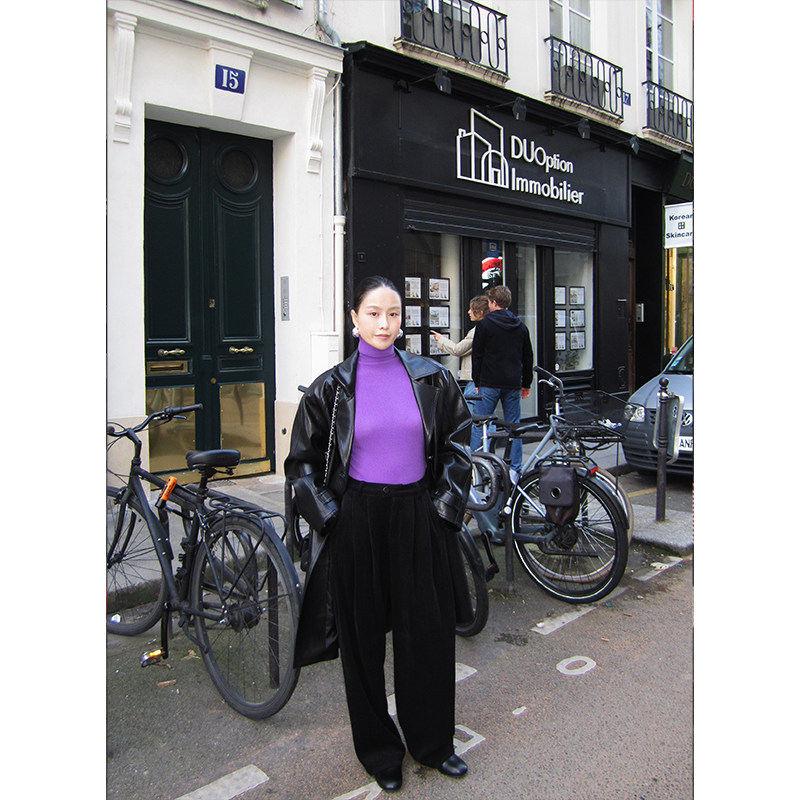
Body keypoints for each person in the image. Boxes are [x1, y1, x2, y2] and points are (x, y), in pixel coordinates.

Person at [285, 276, 473, 793]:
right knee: (362, 642)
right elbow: (301, 464)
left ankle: (433, 744)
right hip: (357, 519)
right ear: (354, 318)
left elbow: (458, 445)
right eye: (373, 313)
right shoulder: (330, 388)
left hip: (418, 515)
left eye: (393, 314)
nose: (384, 323)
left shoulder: (433, 377)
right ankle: (379, 752)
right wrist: (330, 517)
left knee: (427, 635)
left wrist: (444, 508)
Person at [470, 285, 534, 476]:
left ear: (494, 303)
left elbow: (477, 356)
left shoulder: (484, 325)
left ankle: (476, 464)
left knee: (480, 424)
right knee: (514, 426)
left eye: (489, 302)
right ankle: (515, 469)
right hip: (512, 383)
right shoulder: (520, 327)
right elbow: (528, 357)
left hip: (489, 382)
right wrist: (526, 383)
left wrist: (477, 381)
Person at [432, 294, 489, 411]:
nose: (469, 312)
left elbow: (458, 350)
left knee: (471, 410)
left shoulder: (477, 331)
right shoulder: (490, 328)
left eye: (472, 309)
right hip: (485, 377)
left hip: (474, 379)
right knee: (483, 410)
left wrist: (441, 339)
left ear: (481, 312)